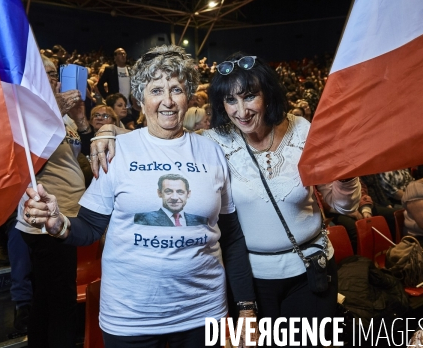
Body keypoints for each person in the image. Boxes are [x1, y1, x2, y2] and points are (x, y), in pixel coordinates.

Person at [90, 52, 360, 347]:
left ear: (267, 94)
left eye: (249, 97)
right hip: (252, 280)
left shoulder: (302, 131)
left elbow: (339, 205)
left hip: (310, 270)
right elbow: (162, 134)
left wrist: (346, 178)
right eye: (231, 100)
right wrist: (108, 130)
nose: (241, 111)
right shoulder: (214, 143)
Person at [23, 45, 257, 348]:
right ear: (140, 99)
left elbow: (232, 237)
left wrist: (247, 307)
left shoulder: (212, 152)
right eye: (156, 89)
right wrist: (59, 224)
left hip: (204, 315)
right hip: (131, 320)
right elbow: (90, 228)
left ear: (188, 95)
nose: (168, 100)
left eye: (176, 89)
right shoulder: (116, 150)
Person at [14, 57, 89, 348]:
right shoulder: (26, 111)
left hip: (70, 214)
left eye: (54, 74)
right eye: (44, 74)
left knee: (47, 296)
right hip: (44, 217)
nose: (53, 79)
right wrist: (55, 110)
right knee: (60, 300)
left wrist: (81, 118)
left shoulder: (67, 114)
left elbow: (83, 152)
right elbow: (26, 156)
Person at [134, 174, 208, 227]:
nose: (174, 198)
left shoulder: (201, 220)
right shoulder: (142, 219)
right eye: (168, 191)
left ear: (188, 194)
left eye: (180, 192)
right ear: (159, 193)